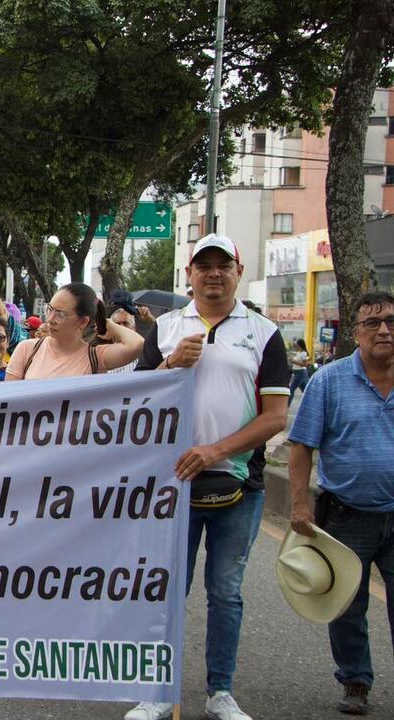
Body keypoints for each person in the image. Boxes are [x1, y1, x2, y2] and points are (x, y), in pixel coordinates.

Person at [126, 234, 290, 720]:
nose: (213, 274)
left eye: (223, 265)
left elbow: (276, 416)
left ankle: (221, 691)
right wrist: (172, 363)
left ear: (238, 271)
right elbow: (137, 397)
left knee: (225, 592)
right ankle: (157, 692)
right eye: (204, 265)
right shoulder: (168, 328)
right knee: (167, 589)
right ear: (189, 275)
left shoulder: (264, 333)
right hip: (170, 486)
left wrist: (215, 450)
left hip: (238, 484)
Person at [288, 291, 394, 716]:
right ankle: (355, 681)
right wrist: (298, 506)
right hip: (347, 515)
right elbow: (301, 448)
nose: (384, 329)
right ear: (355, 334)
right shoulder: (328, 381)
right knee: (347, 605)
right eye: (372, 323)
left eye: (390, 320)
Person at [7, 283, 142, 381]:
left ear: (83, 322)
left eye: (60, 315)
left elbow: (137, 344)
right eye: (50, 309)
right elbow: (8, 401)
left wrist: (109, 325)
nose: (50, 319)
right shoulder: (27, 349)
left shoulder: (95, 357)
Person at [288, 338, 311, 405]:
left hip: (300, 373)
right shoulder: (298, 353)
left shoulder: (304, 353)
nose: (295, 346)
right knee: (305, 390)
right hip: (296, 373)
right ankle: (309, 403)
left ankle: (287, 405)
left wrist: (294, 361)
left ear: (300, 345)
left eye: (296, 345)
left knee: (291, 389)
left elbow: (304, 364)